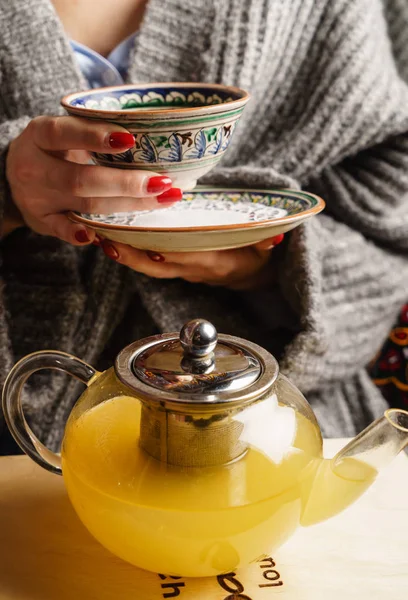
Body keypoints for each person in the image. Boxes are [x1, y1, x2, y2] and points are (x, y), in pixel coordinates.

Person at [1, 0, 408, 454]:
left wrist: (274, 266)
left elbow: (394, 201)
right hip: (14, 426)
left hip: (274, 432)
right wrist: (7, 192)